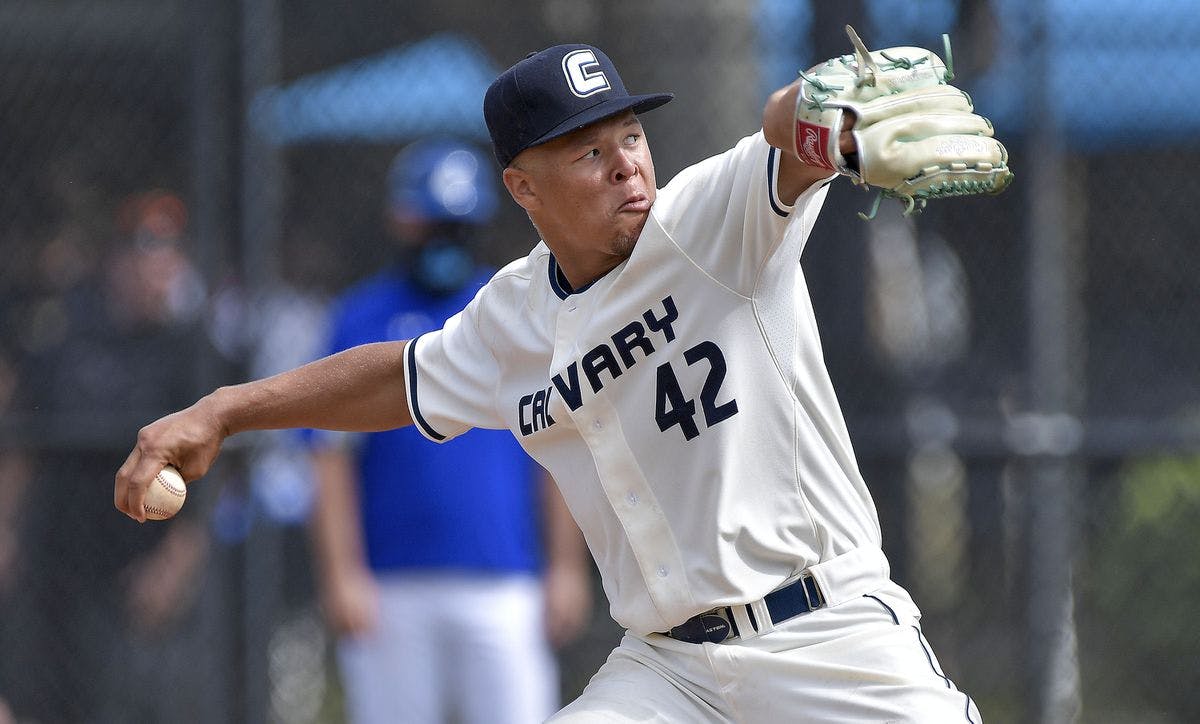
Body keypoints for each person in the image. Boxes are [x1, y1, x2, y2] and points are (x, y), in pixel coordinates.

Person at [116, 42, 989, 722]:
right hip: (670, 674)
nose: (627, 165)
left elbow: (781, 134)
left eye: (633, 136)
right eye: (588, 151)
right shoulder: (515, 315)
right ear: (521, 187)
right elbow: (400, 376)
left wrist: (824, 117)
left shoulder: (708, 225)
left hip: (826, 637)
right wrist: (225, 411)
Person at [308, 138, 592, 724]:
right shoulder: (358, 318)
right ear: (400, 220)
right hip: (390, 586)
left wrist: (565, 567)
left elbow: (555, 446)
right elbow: (329, 457)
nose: (442, 241)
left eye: (455, 227)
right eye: (430, 225)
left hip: (507, 579)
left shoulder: (513, 307)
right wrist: (341, 574)